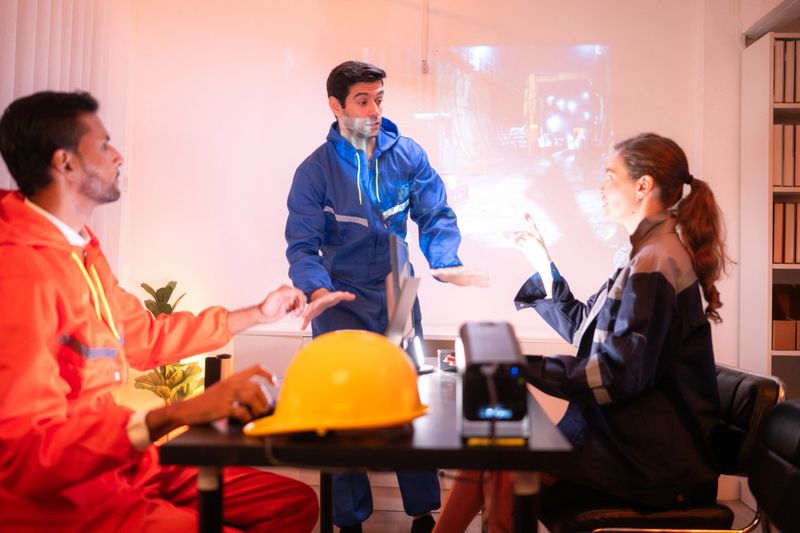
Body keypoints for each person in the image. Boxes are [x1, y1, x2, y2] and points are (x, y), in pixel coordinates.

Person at [0, 91, 320, 532]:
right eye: (104, 145)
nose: (118, 155)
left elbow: (145, 338)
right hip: (70, 494)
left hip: (120, 460)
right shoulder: (20, 271)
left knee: (291, 503)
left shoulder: (80, 249)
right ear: (66, 163)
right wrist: (175, 413)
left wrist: (257, 314)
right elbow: (25, 454)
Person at [434, 133, 728, 532]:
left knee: (501, 463)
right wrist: (544, 265)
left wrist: (513, 364)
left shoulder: (656, 262)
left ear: (643, 185)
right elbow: (586, 331)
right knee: (494, 455)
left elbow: (615, 374)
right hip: (631, 447)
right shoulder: (645, 255)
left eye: (610, 177)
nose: (601, 188)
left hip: (650, 466)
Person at [285, 61, 485, 533]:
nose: (374, 110)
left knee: (407, 400)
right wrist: (316, 288)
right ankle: (349, 520)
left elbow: (435, 214)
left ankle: (422, 514)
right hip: (338, 300)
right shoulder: (315, 172)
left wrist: (446, 262)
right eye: (362, 101)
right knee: (344, 410)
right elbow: (302, 245)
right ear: (336, 106)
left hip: (398, 296)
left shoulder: (407, 155)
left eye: (378, 100)